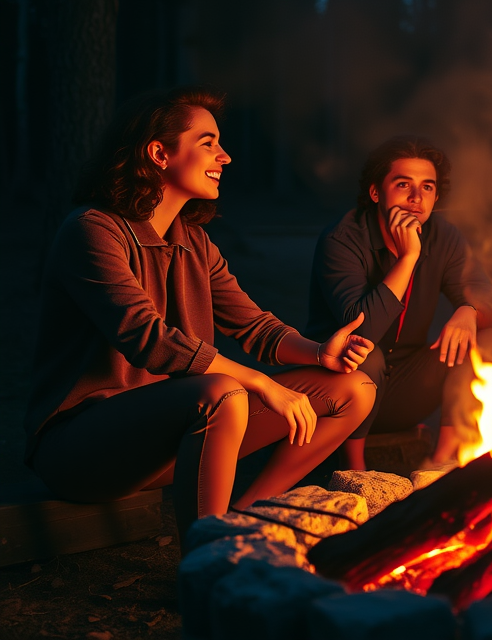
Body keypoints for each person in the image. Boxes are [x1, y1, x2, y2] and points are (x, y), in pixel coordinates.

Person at [26, 89, 376, 547]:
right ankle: (208, 561)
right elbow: (149, 340)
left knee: (353, 389)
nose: (224, 156)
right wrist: (262, 383)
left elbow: (254, 326)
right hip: (82, 450)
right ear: (159, 152)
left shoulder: (193, 241)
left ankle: (244, 522)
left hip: (169, 439)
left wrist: (317, 353)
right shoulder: (93, 230)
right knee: (222, 393)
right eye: (208, 142)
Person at [307, 136, 492, 471]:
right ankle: (354, 472)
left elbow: (490, 302)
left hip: (405, 388)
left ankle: (441, 463)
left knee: (483, 336)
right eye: (402, 185)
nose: (416, 198)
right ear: (375, 193)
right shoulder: (342, 239)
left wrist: (468, 310)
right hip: (340, 390)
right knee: (364, 349)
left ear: (436, 196)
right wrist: (409, 256)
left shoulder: (444, 236)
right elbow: (361, 328)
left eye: (427, 188)